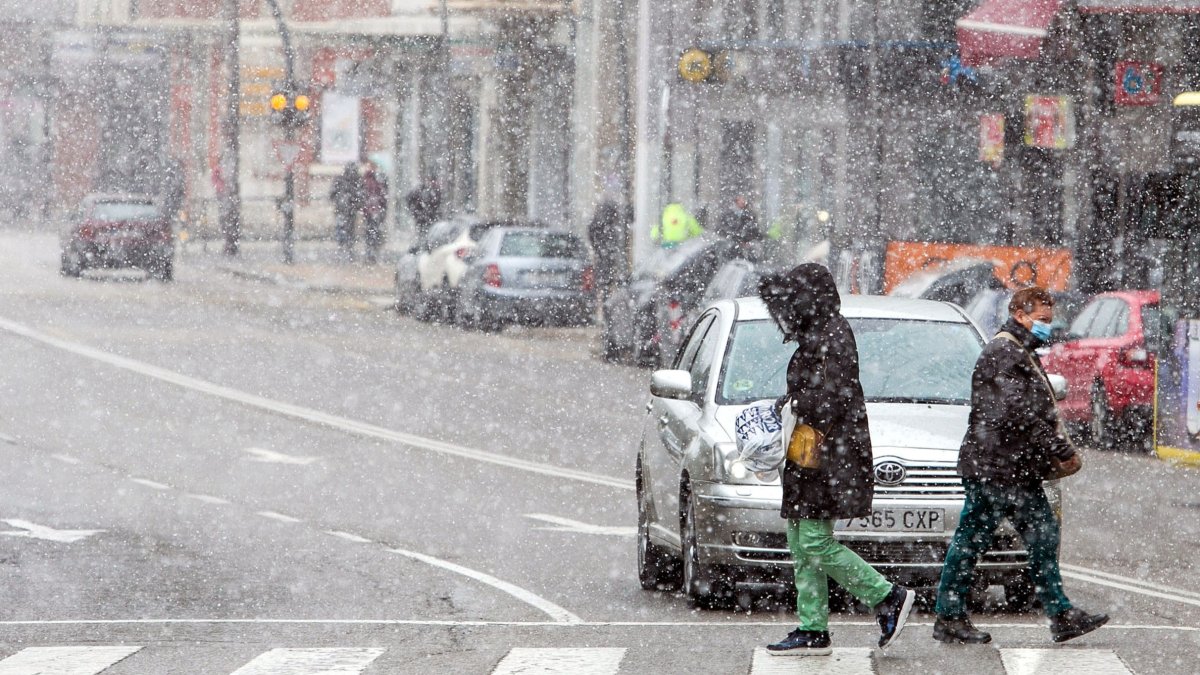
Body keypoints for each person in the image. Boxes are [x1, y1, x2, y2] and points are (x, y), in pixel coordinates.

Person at [933, 286, 1109, 644]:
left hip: (1010, 468)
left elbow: (1025, 409)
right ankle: (952, 616)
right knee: (980, 540)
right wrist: (1059, 448)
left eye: (1049, 319)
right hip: (996, 468)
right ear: (1019, 314)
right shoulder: (1004, 352)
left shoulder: (1019, 351)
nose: (1047, 326)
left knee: (1029, 536)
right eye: (1041, 320)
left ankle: (1058, 613)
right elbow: (1019, 411)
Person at [757, 263, 916, 656]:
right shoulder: (817, 333)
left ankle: (886, 596)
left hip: (827, 457)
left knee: (814, 541)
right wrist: (789, 405)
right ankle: (813, 628)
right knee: (800, 540)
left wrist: (796, 403)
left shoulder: (832, 334)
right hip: (810, 453)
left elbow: (833, 396)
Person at [587, 200, 628, 299]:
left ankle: (602, 296)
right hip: (606, 257)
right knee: (605, 279)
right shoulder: (609, 228)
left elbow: (591, 235)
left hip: (602, 256)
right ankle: (605, 297)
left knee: (602, 279)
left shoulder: (598, 224)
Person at [331, 162, 363, 262]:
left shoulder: (342, 180)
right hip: (346, 210)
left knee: (345, 229)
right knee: (346, 230)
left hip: (346, 210)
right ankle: (347, 249)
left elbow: (332, 194)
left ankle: (345, 248)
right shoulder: (354, 181)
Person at [360, 162, 389, 264]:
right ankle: (370, 254)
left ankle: (372, 254)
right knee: (371, 233)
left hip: (375, 211)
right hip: (370, 211)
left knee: (374, 233)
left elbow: (383, 196)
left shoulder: (377, 180)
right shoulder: (367, 180)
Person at [406, 176, 442, 243]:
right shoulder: (425, 191)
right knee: (423, 233)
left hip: (426, 217)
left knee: (425, 233)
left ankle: (424, 243)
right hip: (424, 217)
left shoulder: (432, 191)